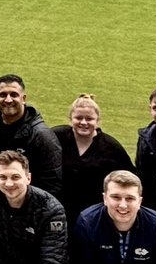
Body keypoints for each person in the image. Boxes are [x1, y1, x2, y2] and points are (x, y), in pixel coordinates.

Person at [53, 94, 134, 223]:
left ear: (98, 121)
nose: (84, 123)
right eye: (78, 118)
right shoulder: (56, 137)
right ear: (70, 119)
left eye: (89, 119)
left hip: (94, 217)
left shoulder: (111, 147)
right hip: (58, 212)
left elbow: (130, 179)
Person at [0, 74, 62, 202]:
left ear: (23, 98)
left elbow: (51, 184)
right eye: (3, 95)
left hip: (27, 208)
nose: (8, 100)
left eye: (14, 94)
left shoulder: (42, 136)